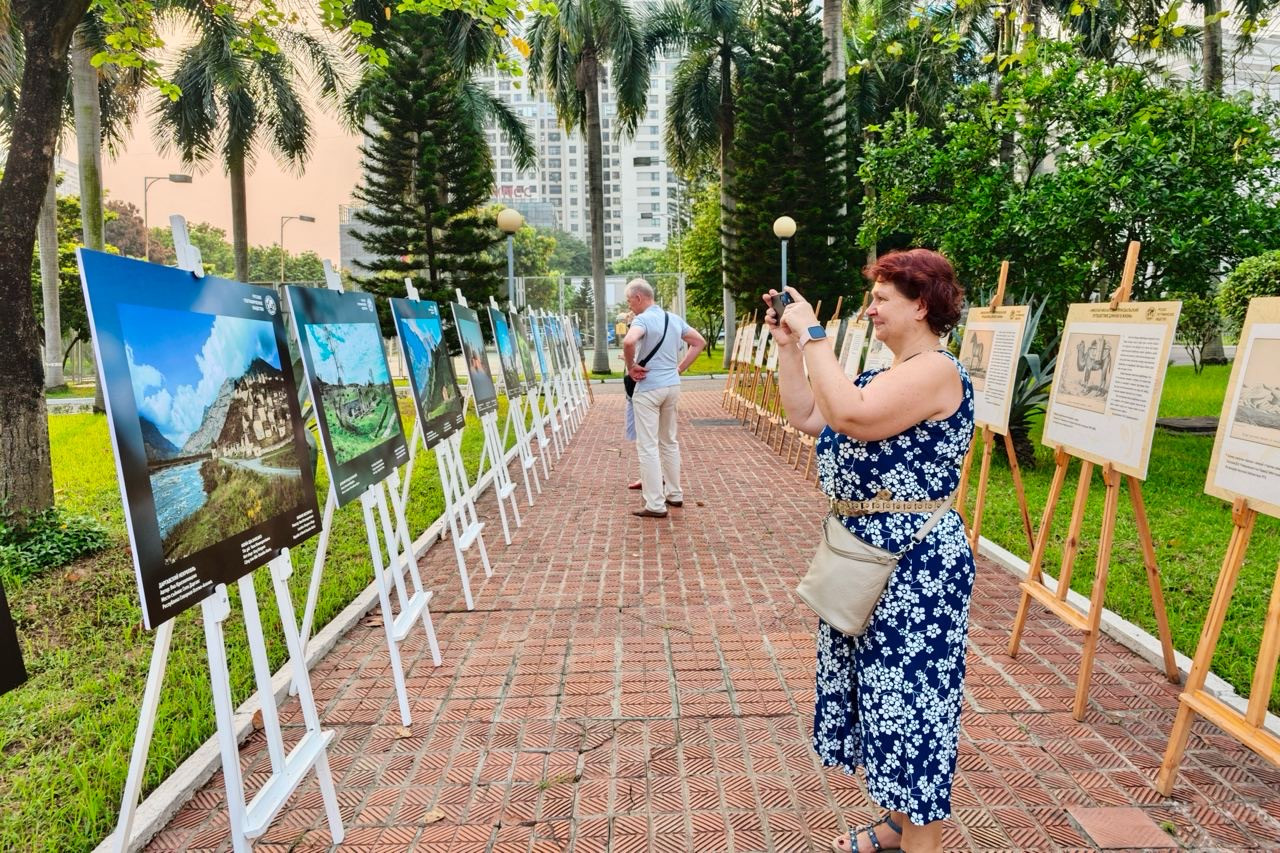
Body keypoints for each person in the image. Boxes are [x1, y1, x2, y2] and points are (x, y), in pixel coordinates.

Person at [764, 248, 974, 853]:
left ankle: (919, 839)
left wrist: (815, 336)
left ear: (922, 304)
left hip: (914, 569)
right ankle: (894, 825)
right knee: (882, 700)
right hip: (867, 558)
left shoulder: (936, 369)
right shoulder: (881, 373)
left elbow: (851, 417)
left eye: (883, 297)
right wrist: (787, 347)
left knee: (913, 711)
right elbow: (809, 413)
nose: (872, 307)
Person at [622, 279, 706, 518]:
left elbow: (629, 340)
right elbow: (699, 342)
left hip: (648, 388)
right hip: (671, 386)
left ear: (639, 297)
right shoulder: (673, 319)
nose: (630, 307)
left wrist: (631, 366)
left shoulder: (643, 320)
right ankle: (675, 494)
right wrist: (679, 368)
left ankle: (655, 504)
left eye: (630, 301)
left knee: (648, 446)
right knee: (669, 441)